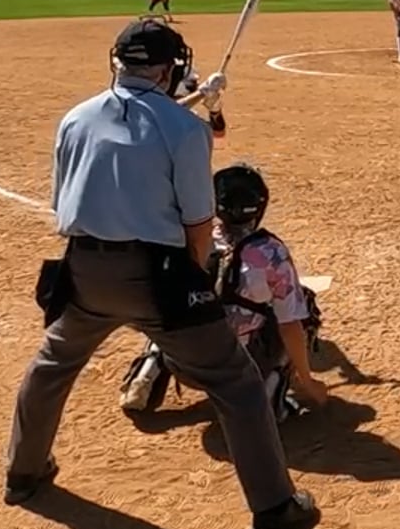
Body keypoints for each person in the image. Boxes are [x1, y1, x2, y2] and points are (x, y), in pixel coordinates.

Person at [3, 18, 319, 529]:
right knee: (235, 381)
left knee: (52, 365)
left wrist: (196, 101)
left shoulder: (75, 118)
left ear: (116, 61)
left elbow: (63, 200)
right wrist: (193, 287)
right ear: (170, 69)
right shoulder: (186, 131)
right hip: (157, 274)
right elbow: (199, 224)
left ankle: (23, 472)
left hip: (82, 270)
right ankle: (274, 509)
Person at [119, 163, 328, 422]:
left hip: (183, 363)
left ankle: (150, 365)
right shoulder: (271, 253)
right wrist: (307, 382)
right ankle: (268, 393)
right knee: (299, 308)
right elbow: (289, 325)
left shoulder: (188, 239)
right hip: (237, 370)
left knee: (178, 302)